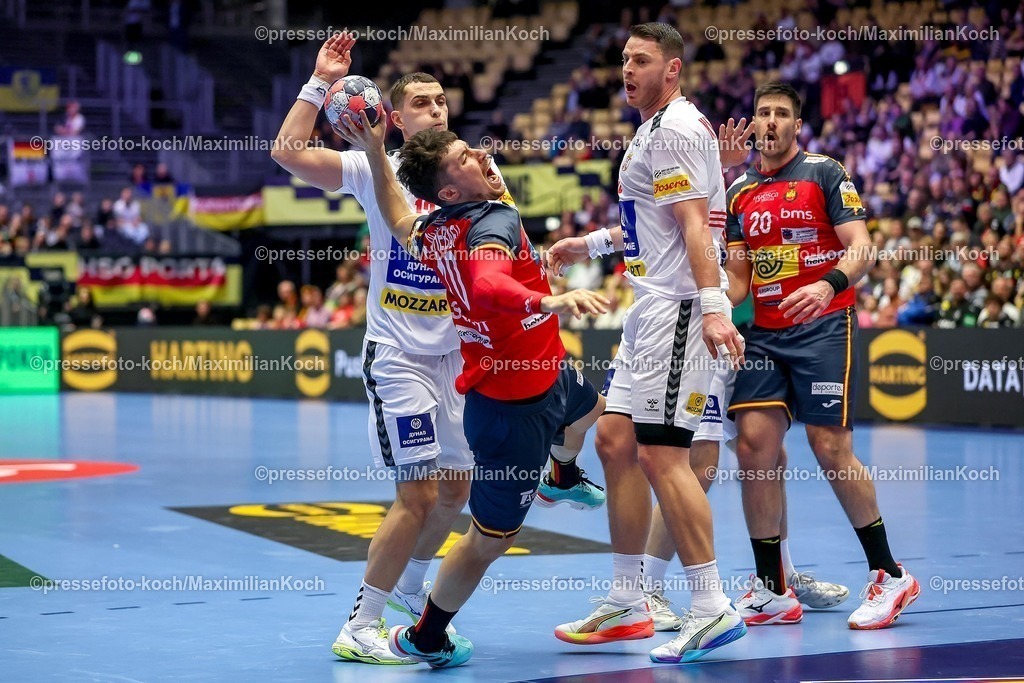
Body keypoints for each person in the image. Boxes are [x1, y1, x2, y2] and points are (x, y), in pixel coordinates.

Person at [270, 33, 602, 666]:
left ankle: (412, 595)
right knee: (419, 492)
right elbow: (286, 152)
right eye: (422, 102)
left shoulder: (471, 174)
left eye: (443, 100)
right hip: (397, 353)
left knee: (453, 490)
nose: (438, 110)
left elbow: (502, 250)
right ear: (395, 118)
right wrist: (319, 82)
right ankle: (360, 625)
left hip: (458, 357)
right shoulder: (379, 170)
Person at [333, 110, 609, 668]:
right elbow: (487, 281)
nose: (479, 155)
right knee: (489, 538)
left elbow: (394, 213)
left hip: (546, 372)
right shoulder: (491, 226)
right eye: (465, 157)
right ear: (453, 188)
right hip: (513, 408)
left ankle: (560, 474)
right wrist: (547, 301)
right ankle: (426, 635)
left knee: (595, 406)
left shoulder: (432, 229)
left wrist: (375, 154)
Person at [546, 22, 747, 663]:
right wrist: (594, 244)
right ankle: (629, 600)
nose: (627, 70)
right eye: (624, 59)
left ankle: (711, 606)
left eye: (642, 60)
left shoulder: (680, 129)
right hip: (649, 304)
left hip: (679, 308)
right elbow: (653, 217)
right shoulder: (656, 128)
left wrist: (714, 309)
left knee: (665, 457)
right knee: (613, 440)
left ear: (673, 70)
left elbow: (693, 226)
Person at [725, 81, 919, 630]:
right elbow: (738, 280)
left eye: (781, 114)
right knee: (753, 447)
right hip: (764, 333)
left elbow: (862, 246)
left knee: (829, 445)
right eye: (762, 112)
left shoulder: (825, 172)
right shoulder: (739, 191)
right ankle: (772, 588)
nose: (769, 122)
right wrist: (704, 294)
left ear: (796, 125)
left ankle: (890, 575)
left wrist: (828, 285)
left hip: (824, 325)